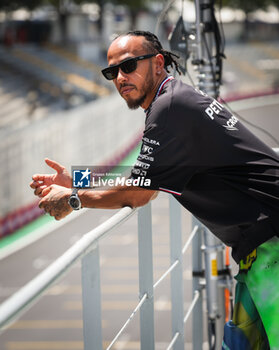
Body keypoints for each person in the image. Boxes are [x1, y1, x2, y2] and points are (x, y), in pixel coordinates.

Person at [30, 31, 279, 349]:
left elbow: (140, 191)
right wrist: (77, 180)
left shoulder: (169, 108)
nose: (121, 78)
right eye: (112, 72)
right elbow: (147, 175)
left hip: (272, 245)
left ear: (158, 62)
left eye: (129, 65)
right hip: (262, 248)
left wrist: (74, 199)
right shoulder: (173, 100)